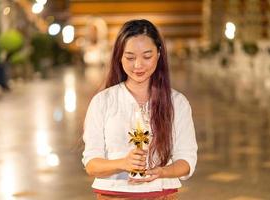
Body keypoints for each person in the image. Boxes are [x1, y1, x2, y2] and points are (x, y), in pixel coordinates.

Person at [82, 19, 198, 200]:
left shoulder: (177, 103)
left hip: (161, 195)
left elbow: (187, 161)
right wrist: (123, 163)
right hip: (113, 194)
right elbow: (91, 164)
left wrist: (162, 171)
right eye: (130, 57)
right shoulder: (102, 102)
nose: (138, 65)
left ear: (159, 54)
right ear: (119, 56)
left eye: (147, 56)